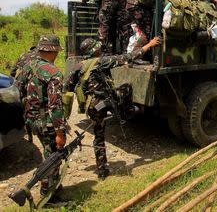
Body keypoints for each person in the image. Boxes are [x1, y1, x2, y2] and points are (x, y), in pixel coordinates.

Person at [63, 36, 160, 179]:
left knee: (99, 137)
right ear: (95, 50)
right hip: (104, 103)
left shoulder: (78, 66)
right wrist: (149, 45)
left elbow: (67, 88)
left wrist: (64, 116)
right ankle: (128, 112)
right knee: (126, 88)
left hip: (91, 107)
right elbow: (128, 57)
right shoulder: (100, 62)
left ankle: (102, 171)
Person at [15, 35, 67, 202]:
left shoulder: (28, 66)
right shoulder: (54, 72)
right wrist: (60, 133)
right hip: (47, 123)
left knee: (48, 153)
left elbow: (19, 89)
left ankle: (55, 187)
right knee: (53, 158)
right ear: (53, 51)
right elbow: (55, 106)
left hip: (33, 120)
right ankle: (48, 196)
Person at [11, 46, 39, 142]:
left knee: (24, 109)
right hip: (36, 87)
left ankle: (28, 133)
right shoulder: (41, 56)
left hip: (22, 85)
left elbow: (13, 71)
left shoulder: (23, 55)